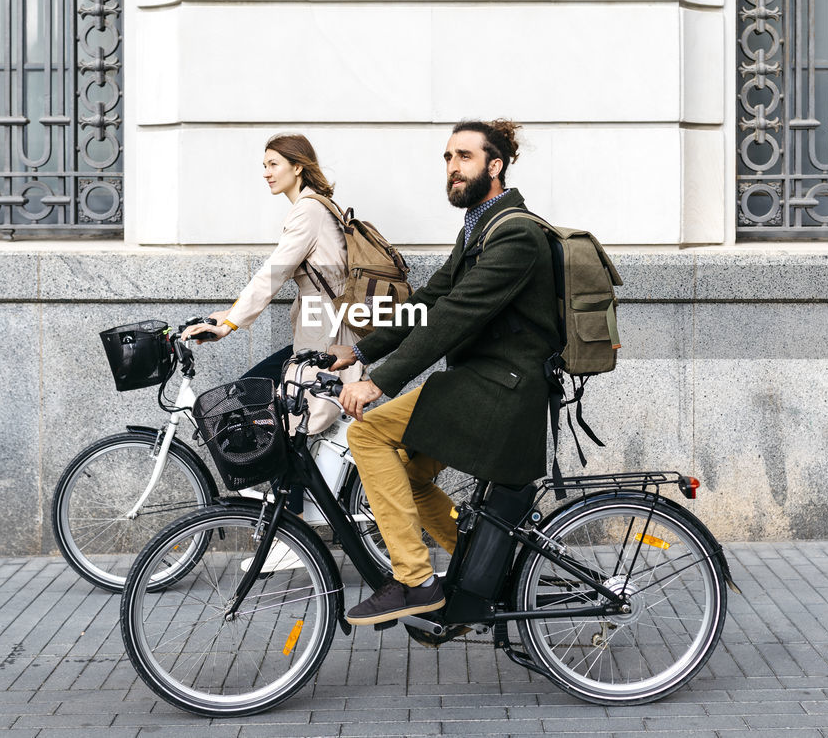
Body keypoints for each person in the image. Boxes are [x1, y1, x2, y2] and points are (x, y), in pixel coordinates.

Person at [327, 118, 558, 625]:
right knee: (404, 473)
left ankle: (414, 580)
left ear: (494, 166)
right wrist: (361, 352)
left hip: (502, 389)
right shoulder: (480, 226)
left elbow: (455, 318)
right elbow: (430, 301)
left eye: (465, 157)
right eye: (448, 158)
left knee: (367, 437)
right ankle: (490, 569)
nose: (453, 168)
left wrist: (380, 381)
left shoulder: (515, 234)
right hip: (480, 383)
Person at [183, 133, 363, 433]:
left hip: (327, 336)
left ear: (297, 167)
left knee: (277, 413)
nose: (266, 172)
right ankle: (292, 479)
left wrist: (229, 325)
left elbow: (273, 273)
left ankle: (293, 482)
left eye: (273, 164)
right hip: (323, 330)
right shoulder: (318, 207)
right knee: (262, 400)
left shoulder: (309, 211)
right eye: (264, 165)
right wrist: (229, 314)